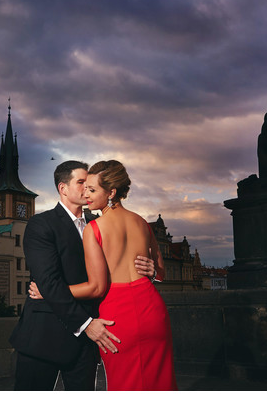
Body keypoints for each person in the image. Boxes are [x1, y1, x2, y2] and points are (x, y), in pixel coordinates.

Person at [30, 160, 177, 391]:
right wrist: (151, 272)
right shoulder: (142, 222)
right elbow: (160, 272)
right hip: (152, 310)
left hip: (118, 315)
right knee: (160, 382)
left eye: (92, 189)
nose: (86, 194)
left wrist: (48, 292)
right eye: (85, 187)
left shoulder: (94, 228)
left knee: (124, 384)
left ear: (111, 192)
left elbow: (96, 288)